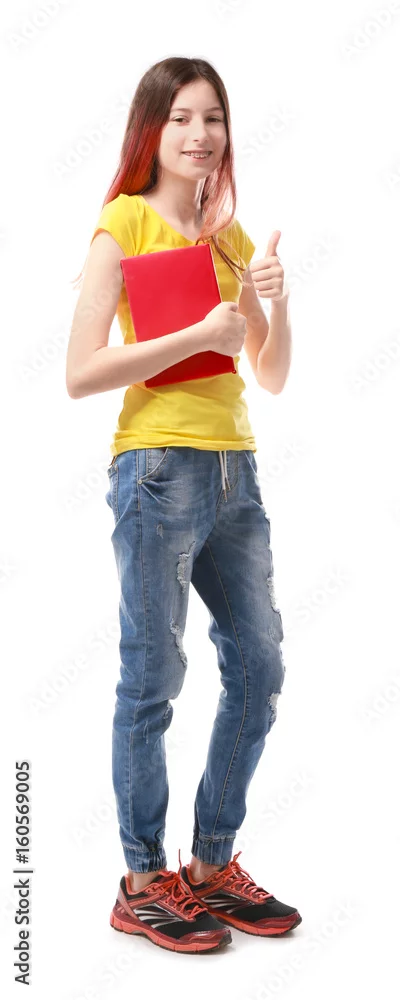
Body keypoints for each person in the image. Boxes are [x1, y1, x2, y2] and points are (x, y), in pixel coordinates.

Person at [66, 56, 301, 954]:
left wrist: (273, 300)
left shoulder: (227, 236)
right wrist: (194, 335)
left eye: (214, 118)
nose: (201, 135)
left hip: (237, 469)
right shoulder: (122, 225)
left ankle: (208, 863)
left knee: (260, 667)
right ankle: (141, 881)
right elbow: (80, 373)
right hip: (157, 468)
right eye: (181, 118)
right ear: (151, 130)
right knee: (153, 676)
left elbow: (269, 375)